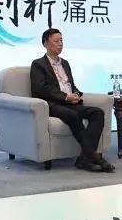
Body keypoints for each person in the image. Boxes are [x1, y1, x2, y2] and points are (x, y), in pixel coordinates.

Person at [30, 28, 114, 173]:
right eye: (56, 41)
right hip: (52, 104)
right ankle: (94, 157)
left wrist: (76, 94)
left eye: (61, 40)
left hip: (70, 102)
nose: (60, 44)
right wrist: (64, 97)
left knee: (97, 113)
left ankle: (84, 159)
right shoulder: (38, 64)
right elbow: (41, 89)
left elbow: (71, 85)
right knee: (73, 115)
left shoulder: (65, 63)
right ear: (45, 43)